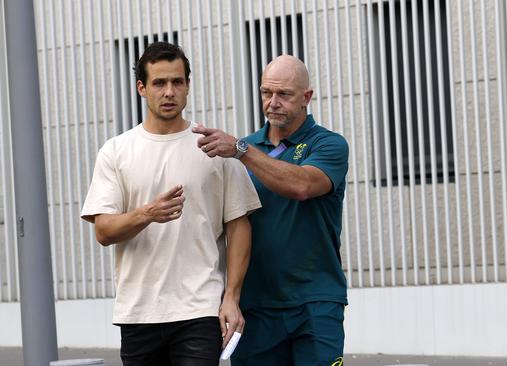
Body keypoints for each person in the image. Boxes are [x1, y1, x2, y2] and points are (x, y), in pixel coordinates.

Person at [80, 42, 261, 366]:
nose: (169, 91)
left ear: (188, 85)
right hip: (138, 312)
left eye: (177, 82)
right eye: (159, 83)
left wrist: (231, 297)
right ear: (141, 87)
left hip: (199, 309)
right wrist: (147, 213)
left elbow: (239, 225)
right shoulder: (117, 151)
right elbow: (104, 231)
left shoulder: (214, 146)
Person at [193, 55, 349, 366]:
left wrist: (241, 151)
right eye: (266, 93)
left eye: (284, 94)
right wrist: (230, 297)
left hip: (315, 302)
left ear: (307, 97)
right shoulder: (245, 148)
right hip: (256, 306)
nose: (273, 102)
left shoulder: (328, 144)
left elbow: (302, 186)